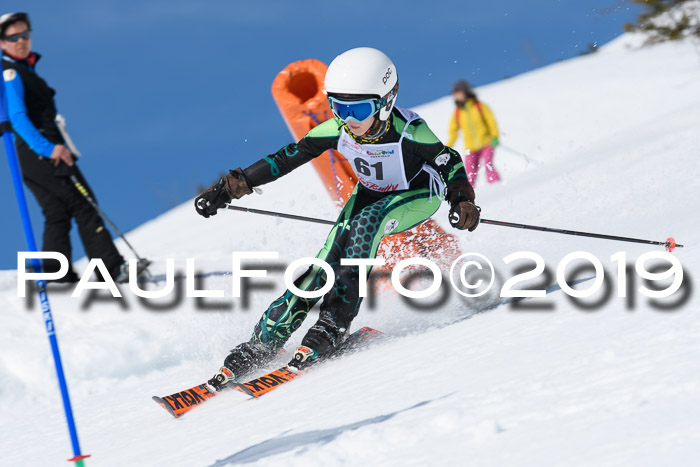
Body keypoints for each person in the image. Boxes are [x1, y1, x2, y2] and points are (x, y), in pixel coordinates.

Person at [194, 47, 480, 389]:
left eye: (359, 108)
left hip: (417, 194)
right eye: (339, 108)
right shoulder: (336, 129)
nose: (350, 120)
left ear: (386, 101)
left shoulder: (410, 130)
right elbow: (285, 159)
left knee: (366, 224)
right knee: (323, 262)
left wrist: (461, 197)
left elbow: (448, 160)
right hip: (371, 192)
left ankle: (333, 322)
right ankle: (266, 337)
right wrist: (229, 187)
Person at [1, 12, 147, 283]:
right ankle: (111, 269)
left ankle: (55, 273)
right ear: (2, 42)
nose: (22, 41)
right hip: (41, 153)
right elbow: (18, 117)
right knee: (83, 203)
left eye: (25, 35)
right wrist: (50, 149)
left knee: (57, 211)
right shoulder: (10, 72)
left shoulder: (24, 70)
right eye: (14, 37)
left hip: (36, 154)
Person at [447, 79, 501, 185]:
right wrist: (447, 148)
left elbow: (491, 121)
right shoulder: (458, 113)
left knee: (488, 164)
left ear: (465, 91)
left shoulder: (479, 106)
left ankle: (497, 186)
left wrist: (494, 136)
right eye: (454, 93)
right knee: (470, 173)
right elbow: (453, 132)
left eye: (458, 92)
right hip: (471, 148)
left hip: (486, 142)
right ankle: (469, 194)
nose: (456, 95)